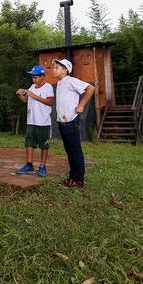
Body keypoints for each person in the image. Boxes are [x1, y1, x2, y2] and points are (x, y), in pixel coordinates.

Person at [51, 58, 95, 188]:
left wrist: (81, 105)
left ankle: (78, 180)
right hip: (62, 122)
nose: (53, 69)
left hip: (71, 121)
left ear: (65, 70)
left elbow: (90, 88)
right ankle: (73, 177)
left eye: (56, 67)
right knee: (69, 151)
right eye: (54, 67)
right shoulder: (60, 83)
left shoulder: (71, 81)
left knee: (75, 150)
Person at [15, 65, 55, 176]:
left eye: (35, 77)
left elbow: (50, 102)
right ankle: (29, 164)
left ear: (42, 76)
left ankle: (42, 165)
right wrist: (19, 95)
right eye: (32, 77)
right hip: (31, 120)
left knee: (44, 145)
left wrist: (34, 95)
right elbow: (26, 100)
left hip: (43, 121)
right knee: (29, 143)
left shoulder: (48, 87)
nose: (33, 79)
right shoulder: (32, 87)